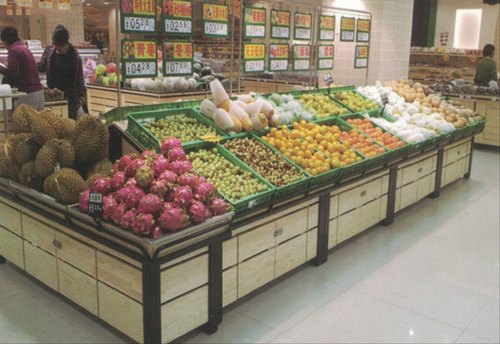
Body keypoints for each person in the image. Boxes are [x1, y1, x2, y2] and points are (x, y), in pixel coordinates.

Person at [38, 25, 86, 119]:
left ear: (67, 42)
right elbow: (42, 66)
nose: (60, 48)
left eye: (62, 46)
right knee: (53, 122)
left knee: (70, 122)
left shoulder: (74, 56)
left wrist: (81, 95)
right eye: (57, 46)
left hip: (70, 96)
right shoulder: (50, 51)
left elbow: (79, 77)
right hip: (53, 95)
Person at [0, 27, 44, 110]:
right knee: (37, 122)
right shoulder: (24, 48)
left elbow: (13, 74)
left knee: (23, 122)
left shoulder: (13, 51)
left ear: (5, 41)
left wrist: (2, 69)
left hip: (27, 95)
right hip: (38, 93)